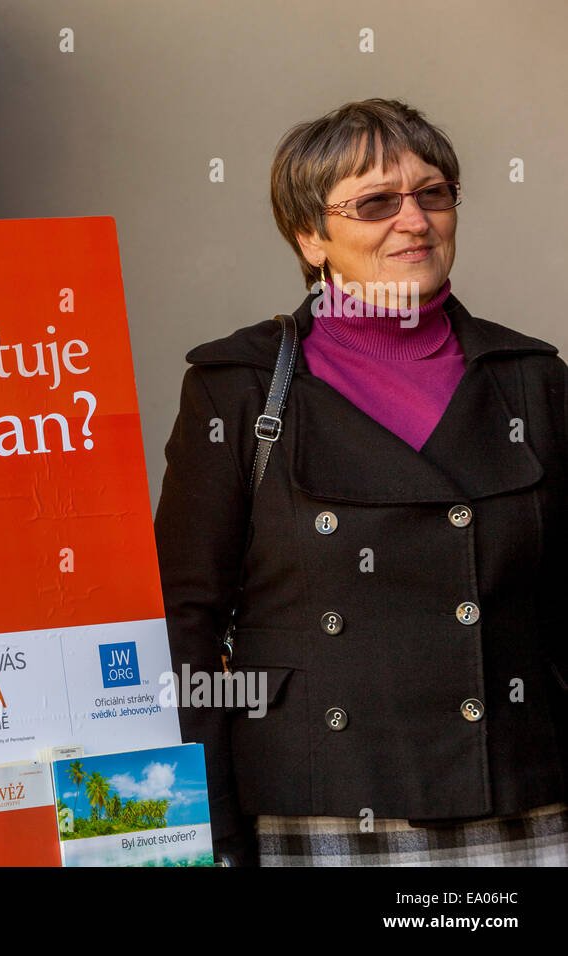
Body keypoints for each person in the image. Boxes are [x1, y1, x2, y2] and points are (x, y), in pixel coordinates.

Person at [154, 98, 568, 866]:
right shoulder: (239, 386)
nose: (414, 221)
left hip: (523, 803)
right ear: (311, 236)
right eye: (376, 202)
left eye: (433, 193)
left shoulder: (532, 379)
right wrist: (208, 828)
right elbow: (186, 627)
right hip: (317, 810)